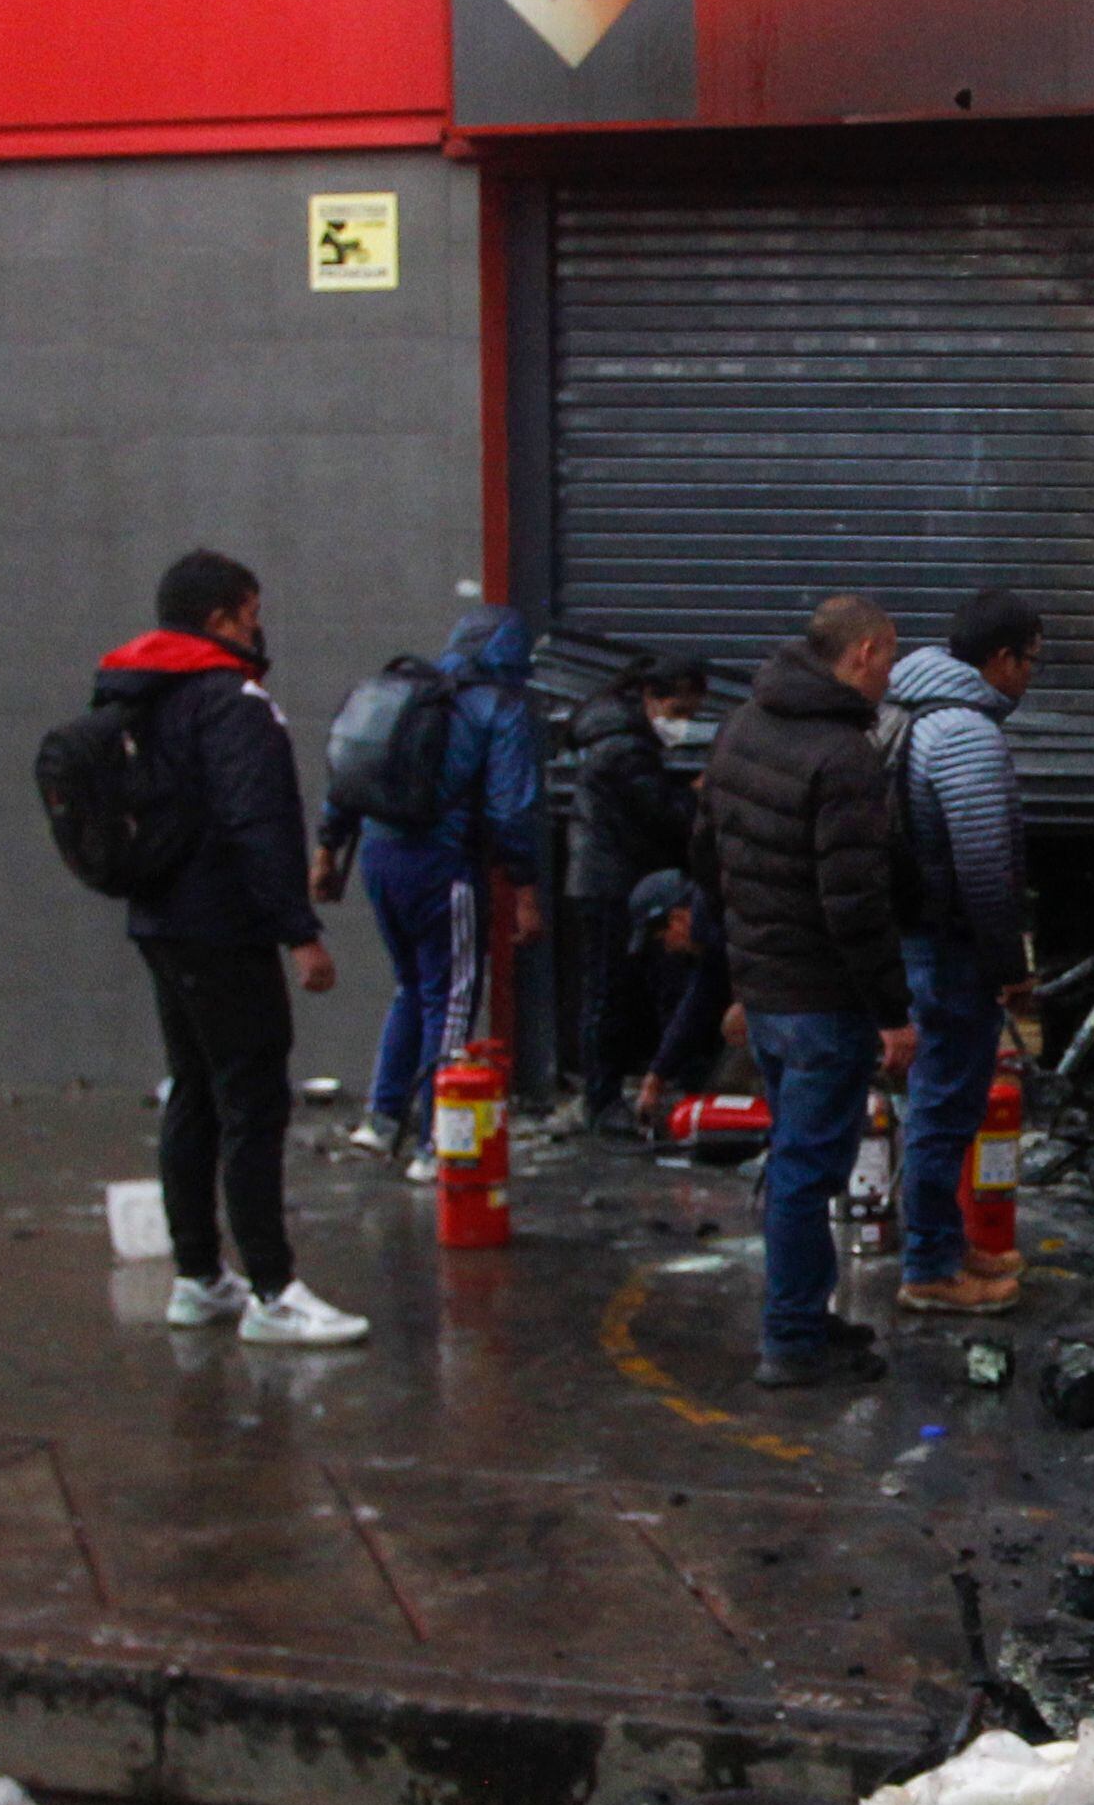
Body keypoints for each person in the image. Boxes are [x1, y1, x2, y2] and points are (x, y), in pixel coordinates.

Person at [90, 550, 370, 1346]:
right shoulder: (231, 701)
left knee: (195, 1091)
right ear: (221, 619)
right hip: (225, 927)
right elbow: (260, 823)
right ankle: (275, 1292)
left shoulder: (137, 695)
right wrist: (300, 934)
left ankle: (198, 1277)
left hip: (160, 921)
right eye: (251, 612)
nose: (258, 627)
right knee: (252, 1099)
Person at [703, 595, 919, 1388]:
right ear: (862, 653)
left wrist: (738, 975)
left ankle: (805, 1319)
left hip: (767, 987)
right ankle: (791, 1339)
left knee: (796, 1161)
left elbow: (710, 857)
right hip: (821, 999)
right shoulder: (844, 759)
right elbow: (856, 904)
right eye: (890, 658)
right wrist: (894, 1014)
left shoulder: (741, 728)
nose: (892, 675)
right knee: (805, 1170)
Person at [319, 603, 546, 1179]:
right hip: (443, 867)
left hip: (377, 855)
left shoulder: (403, 689)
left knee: (412, 989)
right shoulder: (499, 708)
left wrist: (326, 848)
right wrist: (524, 886)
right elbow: (509, 809)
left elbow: (347, 769)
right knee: (452, 999)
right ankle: (436, 1143)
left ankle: (382, 1118)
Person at [885, 589, 1042, 1314]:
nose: (1031, 677)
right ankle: (930, 1270)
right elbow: (986, 867)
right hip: (947, 949)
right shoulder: (965, 733)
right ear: (1001, 658)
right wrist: (1011, 971)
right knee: (945, 1107)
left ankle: (941, 1245)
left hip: (914, 938)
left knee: (936, 1105)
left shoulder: (906, 710)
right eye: (1031, 661)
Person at [564, 655, 709, 1136]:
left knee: (618, 991)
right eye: (678, 710)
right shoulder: (625, 749)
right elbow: (664, 815)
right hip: (612, 884)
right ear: (650, 698)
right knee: (608, 993)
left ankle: (612, 1095)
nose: (682, 723)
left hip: (610, 879)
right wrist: (696, 795)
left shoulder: (619, 740)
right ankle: (602, 1102)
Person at [621, 867, 731, 1134]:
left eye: (663, 938)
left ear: (678, 919)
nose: (667, 948)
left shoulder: (723, 926)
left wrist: (748, 1002)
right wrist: (657, 1074)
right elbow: (693, 1008)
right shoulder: (711, 947)